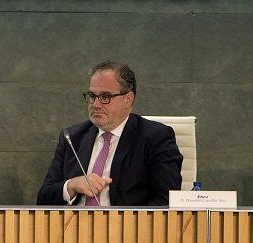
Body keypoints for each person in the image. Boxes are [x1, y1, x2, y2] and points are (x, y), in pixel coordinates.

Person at [37, 60, 183, 207]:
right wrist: (71, 185)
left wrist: (121, 220)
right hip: (74, 221)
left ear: (128, 99)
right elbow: (43, 199)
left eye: (105, 97)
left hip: (127, 221)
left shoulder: (155, 137)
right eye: (92, 96)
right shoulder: (72, 137)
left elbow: (166, 201)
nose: (95, 104)